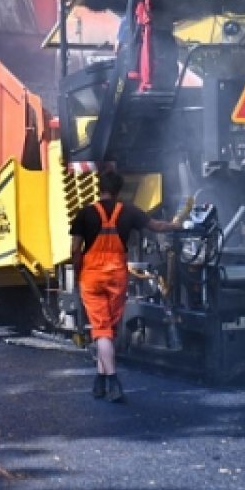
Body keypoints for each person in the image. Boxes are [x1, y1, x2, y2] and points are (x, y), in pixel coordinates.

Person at [69, 170, 182, 403]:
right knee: (108, 331)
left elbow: (74, 250)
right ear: (119, 190)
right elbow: (157, 226)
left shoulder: (85, 214)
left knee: (101, 331)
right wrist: (177, 225)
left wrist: (79, 274)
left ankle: (111, 380)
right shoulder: (129, 211)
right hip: (117, 277)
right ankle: (100, 382)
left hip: (92, 278)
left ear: (99, 188)